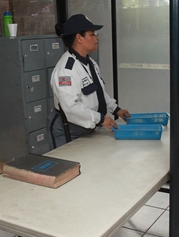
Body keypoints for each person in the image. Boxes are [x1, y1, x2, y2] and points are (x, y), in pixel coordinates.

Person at [47, 14, 130, 149]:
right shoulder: (66, 70)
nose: (96, 38)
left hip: (88, 127)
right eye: (92, 34)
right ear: (79, 38)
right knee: (69, 168)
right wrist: (101, 119)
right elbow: (71, 107)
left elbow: (99, 92)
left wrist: (115, 109)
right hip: (69, 130)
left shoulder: (90, 63)